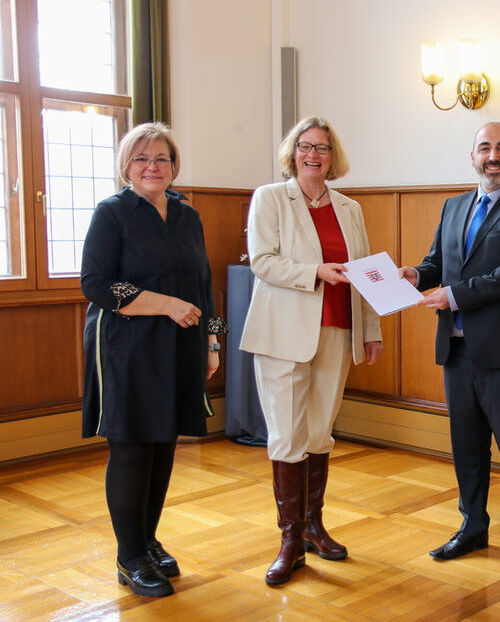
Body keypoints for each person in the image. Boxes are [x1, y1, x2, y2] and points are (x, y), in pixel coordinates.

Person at [399, 122, 500, 575]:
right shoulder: (454, 206)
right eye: (485, 147)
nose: (493, 156)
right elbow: (438, 263)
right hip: (457, 348)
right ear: (472, 157)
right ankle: (472, 527)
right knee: (467, 448)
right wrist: (418, 275)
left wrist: (456, 294)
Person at [80, 122, 223, 597]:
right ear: (126, 165)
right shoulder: (112, 213)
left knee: (163, 445)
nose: (152, 167)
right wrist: (164, 303)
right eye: (142, 159)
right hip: (125, 347)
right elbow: (96, 285)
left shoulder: (188, 216)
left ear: (174, 165)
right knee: (133, 447)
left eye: (161, 158)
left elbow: (205, 286)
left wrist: (213, 341)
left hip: (179, 345)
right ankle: (128, 558)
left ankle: (146, 540)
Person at [239, 117, 383, 586]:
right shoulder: (270, 198)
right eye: (305, 147)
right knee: (286, 435)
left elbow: (364, 272)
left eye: (322, 148)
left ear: (332, 155)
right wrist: (316, 272)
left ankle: (314, 527)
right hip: (283, 334)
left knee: (320, 432)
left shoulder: (350, 207)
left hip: (338, 331)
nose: (314, 155)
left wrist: (371, 328)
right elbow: (262, 262)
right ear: (293, 152)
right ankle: (289, 539)